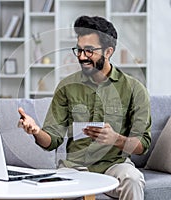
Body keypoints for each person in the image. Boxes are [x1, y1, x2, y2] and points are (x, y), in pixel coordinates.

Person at [18, 15, 151, 200]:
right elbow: (52, 141)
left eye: (88, 51)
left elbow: (142, 145)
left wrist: (116, 139)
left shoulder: (134, 89)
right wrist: (36, 131)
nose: (81, 57)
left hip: (114, 165)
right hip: (76, 167)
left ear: (108, 51)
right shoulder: (67, 86)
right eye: (79, 50)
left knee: (133, 179)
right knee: (54, 188)